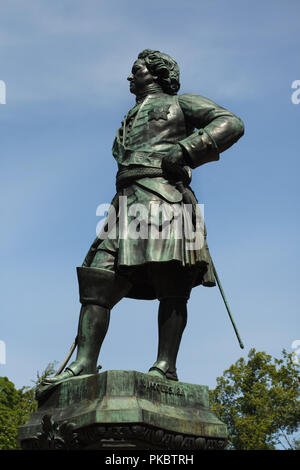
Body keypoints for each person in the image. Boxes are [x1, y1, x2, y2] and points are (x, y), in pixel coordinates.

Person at [42, 49, 244, 389]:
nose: (129, 76)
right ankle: (84, 363)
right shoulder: (129, 117)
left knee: (171, 281)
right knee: (98, 280)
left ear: (156, 73)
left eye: (136, 69)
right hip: (124, 204)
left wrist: (186, 150)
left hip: (163, 199)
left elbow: (231, 123)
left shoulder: (181, 103)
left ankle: (165, 366)